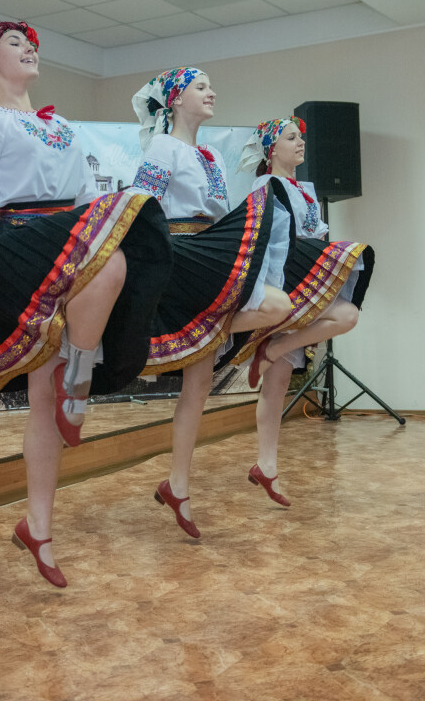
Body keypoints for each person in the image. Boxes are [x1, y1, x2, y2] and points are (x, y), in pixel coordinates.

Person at [0, 22, 170, 587]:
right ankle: (80, 382)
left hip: (65, 241)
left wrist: (103, 223)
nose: (29, 48)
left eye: (30, 43)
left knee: (46, 389)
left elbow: (89, 200)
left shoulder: (63, 126)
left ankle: (37, 528)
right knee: (109, 257)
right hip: (13, 245)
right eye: (14, 44)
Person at [131, 68, 292, 538]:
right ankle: (209, 329)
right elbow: (141, 205)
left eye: (210, 86)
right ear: (176, 100)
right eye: (200, 87)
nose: (211, 92)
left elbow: (219, 214)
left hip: (210, 255)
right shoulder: (162, 148)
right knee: (276, 306)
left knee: (198, 387)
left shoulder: (212, 156)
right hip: (181, 257)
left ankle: (176, 486)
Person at [231, 116, 376, 506]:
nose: (300, 143)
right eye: (291, 138)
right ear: (271, 150)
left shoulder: (305, 190)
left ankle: (275, 350)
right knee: (277, 385)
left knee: (346, 316)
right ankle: (267, 465)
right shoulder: (265, 186)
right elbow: (263, 242)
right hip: (286, 284)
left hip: (305, 281)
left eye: (300, 137)